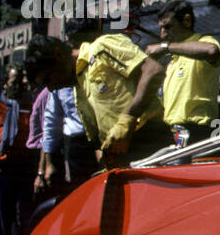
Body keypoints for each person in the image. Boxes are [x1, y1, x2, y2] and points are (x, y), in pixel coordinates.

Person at [22, 25, 167, 168]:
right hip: (123, 156)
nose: (51, 88)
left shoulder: (102, 47)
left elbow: (153, 71)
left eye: (48, 79)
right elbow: (98, 139)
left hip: (150, 140)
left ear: (58, 54)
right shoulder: (79, 86)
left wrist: (128, 119)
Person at [146, 0, 220, 144]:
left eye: (167, 27)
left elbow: (211, 51)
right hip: (175, 131)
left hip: (197, 130)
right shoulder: (173, 59)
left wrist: (165, 47)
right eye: (161, 28)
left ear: (186, 21)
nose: (162, 34)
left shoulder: (205, 41)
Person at [0, 64, 37, 235]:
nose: (18, 85)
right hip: (2, 166)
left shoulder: (30, 104)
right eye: (13, 81)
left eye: (21, 80)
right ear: (5, 84)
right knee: (5, 212)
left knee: (25, 211)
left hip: (24, 166)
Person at [38, 85, 94, 194]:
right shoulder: (58, 84)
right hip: (77, 146)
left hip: (103, 139)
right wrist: (48, 164)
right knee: (80, 194)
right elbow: (51, 122)